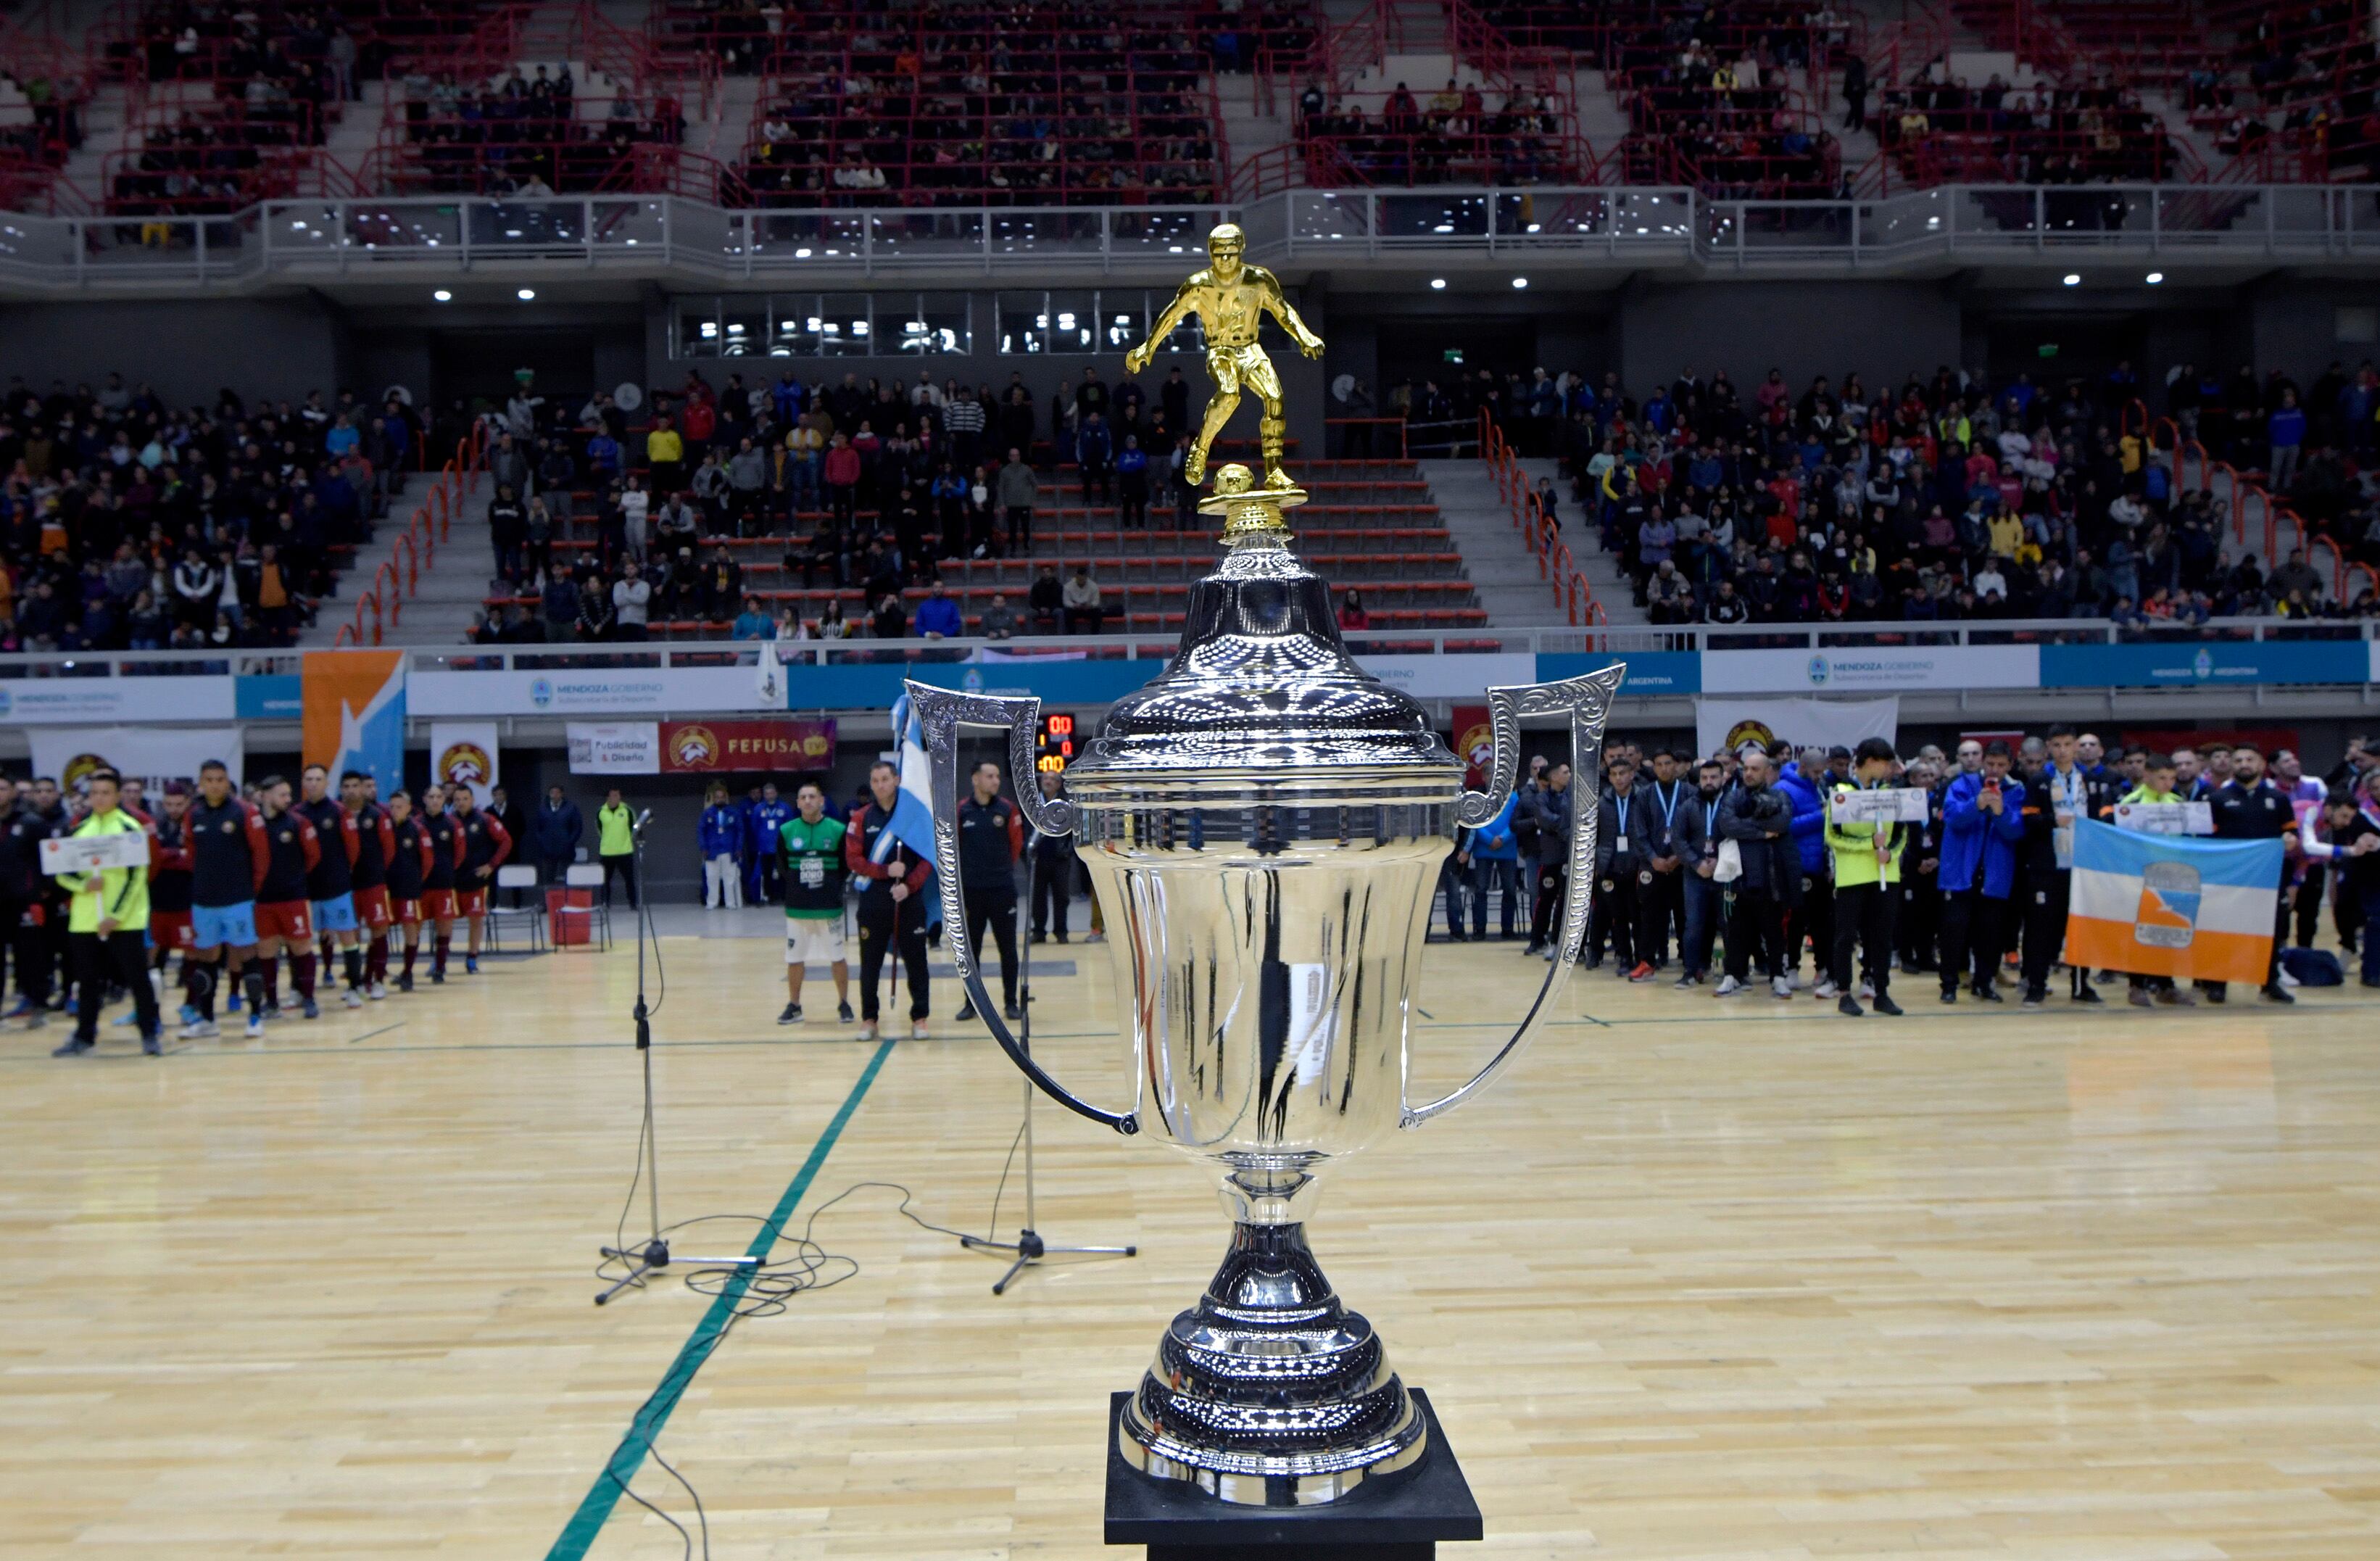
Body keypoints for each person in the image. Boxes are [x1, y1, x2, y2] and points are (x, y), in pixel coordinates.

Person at [50, 769, 163, 1057]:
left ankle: (149, 1033)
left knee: (137, 978)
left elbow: (137, 878)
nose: (99, 798)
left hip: (124, 920)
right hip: (86, 920)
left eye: (105, 793)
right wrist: (84, 884)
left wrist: (115, 915)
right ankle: (84, 1036)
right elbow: (61, 875)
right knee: (87, 982)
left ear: (117, 796)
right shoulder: (77, 830)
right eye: (94, 793)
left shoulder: (129, 828)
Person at [2017, 726, 2110, 1009]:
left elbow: (2101, 821)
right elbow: (2028, 820)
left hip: (2081, 865)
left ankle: (2081, 985)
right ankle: (2036, 985)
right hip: (2047, 865)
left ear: (2076, 747)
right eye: (2056, 745)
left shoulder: (2091, 780)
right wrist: (2053, 821)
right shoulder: (2040, 780)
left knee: (2080, 926)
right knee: (2040, 928)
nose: (2062, 750)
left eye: (2068, 744)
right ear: (2048, 748)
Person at [181, 759, 270, 1038]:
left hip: (238, 901)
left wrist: (248, 890)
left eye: (220, 779)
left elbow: (262, 857)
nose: (215, 784)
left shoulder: (246, 812)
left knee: (246, 956)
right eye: (210, 779)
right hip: (204, 901)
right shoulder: (193, 815)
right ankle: (207, 1020)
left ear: (228, 782)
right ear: (201, 783)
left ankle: (256, 1016)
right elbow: (191, 855)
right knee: (205, 959)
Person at [2204, 743, 2297, 1006]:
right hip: (2228, 879)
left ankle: (2269, 982)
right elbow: (2206, 839)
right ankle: (2217, 983)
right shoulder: (2217, 799)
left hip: (2267, 879)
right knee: (2222, 931)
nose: (2244, 764)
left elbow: (2292, 833)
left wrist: (2290, 839)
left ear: (2261, 765)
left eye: (2249, 759)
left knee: (2270, 931)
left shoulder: (2278, 799)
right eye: (2239, 760)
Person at [846, 761, 932, 1041]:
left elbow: (926, 859)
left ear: (896, 780)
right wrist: (884, 872)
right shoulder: (861, 818)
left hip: (908, 899)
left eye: (885, 779)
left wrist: (909, 886)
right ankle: (869, 1019)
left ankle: (920, 1017)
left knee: (917, 961)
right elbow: (853, 859)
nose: (880, 785)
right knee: (870, 963)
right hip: (873, 900)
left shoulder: (912, 817)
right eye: (875, 781)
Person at [1823, 737, 1906, 1018]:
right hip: (1851, 877)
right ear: (1871, 762)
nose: (1890, 770)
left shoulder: (1891, 793)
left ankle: (1881, 991)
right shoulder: (1841, 792)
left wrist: (1891, 854)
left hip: (1886, 875)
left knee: (1882, 937)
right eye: (1886, 764)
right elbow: (1832, 837)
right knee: (1845, 937)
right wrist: (1869, 844)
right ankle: (1844, 992)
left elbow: (1901, 834)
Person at [1938, 741, 2026, 1003]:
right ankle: (1949, 985)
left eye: (2001, 765)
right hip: (1960, 872)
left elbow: (2017, 831)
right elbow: (1952, 818)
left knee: (1990, 935)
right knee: (1953, 933)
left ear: (2010, 765)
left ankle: (1984, 983)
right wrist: (1976, 805)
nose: (1995, 770)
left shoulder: (2016, 790)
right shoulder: (1961, 785)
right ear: (1983, 762)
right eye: (1991, 764)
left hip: (1995, 875)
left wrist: (2001, 813)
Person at [2118, 753, 2197, 1008]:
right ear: (2147, 775)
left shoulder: (2178, 801)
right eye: (2162, 778)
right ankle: (2136, 985)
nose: (2168, 783)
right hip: (2141, 875)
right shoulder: (2132, 802)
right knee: (2141, 932)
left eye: (2172, 778)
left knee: (2170, 930)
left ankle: (2166, 985)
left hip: (2174, 874)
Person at [1717, 746, 1796, 996]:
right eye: (1746, 769)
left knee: (1773, 930)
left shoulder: (1780, 797)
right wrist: (1762, 833)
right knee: (1735, 930)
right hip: (1739, 876)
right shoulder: (1732, 797)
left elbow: (1781, 823)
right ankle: (1733, 975)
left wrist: (1747, 827)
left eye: (1755, 769)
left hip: (1770, 876)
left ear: (1767, 771)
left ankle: (1778, 976)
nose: (1749, 773)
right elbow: (1728, 826)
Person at [776, 782, 853, 1025]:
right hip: (797, 909)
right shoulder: (786, 831)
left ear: (822, 801)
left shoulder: (838, 830)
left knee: (837, 957)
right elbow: (782, 866)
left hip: (829, 908)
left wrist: (830, 888)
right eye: (803, 797)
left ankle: (844, 1003)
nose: (808, 801)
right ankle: (795, 1005)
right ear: (798, 803)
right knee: (794, 958)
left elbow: (845, 866)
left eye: (812, 796)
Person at [955, 761, 1024, 1022]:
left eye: (997, 776)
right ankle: (971, 1003)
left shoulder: (1007, 810)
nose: (996, 781)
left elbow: (1015, 847)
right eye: (990, 776)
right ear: (976, 779)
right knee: (971, 953)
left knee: (1008, 949)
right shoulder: (962, 810)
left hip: (1002, 890)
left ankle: (1011, 1003)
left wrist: (999, 870)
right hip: (971, 893)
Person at [251, 776, 323, 1020]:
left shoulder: (298, 823)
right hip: (262, 900)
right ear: (266, 796)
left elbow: (313, 857)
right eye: (282, 794)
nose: (288, 799)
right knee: (266, 951)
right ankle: (271, 1003)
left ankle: (309, 998)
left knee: (302, 947)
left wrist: (294, 878)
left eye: (288, 794)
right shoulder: (253, 823)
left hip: (293, 898)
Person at [295, 764, 367, 1010]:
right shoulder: (296, 814)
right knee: (300, 940)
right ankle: (299, 988)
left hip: (336, 887)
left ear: (327, 784)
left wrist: (341, 873)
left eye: (318, 779)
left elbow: (353, 850)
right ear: (303, 783)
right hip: (306, 889)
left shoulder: (340, 812)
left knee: (348, 936)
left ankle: (355, 987)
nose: (313, 783)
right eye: (309, 779)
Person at [2299, 786, 2380, 987]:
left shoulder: (2359, 816)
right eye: (2343, 816)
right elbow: (2308, 846)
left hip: (2319, 866)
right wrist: (2352, 850)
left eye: (2349, 817)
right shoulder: (2306, 811)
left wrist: (2376, 843)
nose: (2346, 822)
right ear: (2328, 809)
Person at [1671, 758, 1728, 987]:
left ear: (1723, 778)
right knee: (1693, 924)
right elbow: (1678, 839)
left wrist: (1721, 862)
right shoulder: (1688, 806)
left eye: (1714, 777)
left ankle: (1735, 973)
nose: (1709, 782)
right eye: (1704, 778)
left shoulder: (1731, 803)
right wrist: (1697, 863)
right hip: (1695, 875)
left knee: (1728, 925)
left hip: (1725, 874)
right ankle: (1690, 971)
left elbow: (1738, 835)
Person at [341, 770, 399, 1000]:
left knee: (379, 932)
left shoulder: (377, 816)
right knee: (350, 936)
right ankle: (354, 984)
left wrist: (376, 872)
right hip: (347, 886)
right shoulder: (338, 815)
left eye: (356, 786)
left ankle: (377, 981)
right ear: (341, 789)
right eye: (347, 786)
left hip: (373, 884)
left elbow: (389, 850)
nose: (352, 791)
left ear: (364, 789)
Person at [1591, 753, 1646, 975]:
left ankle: (1644, 958)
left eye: (1623, 773)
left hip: (1636, 865)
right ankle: (1625, 957)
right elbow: (1592, 834)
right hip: (1609, 866)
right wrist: (1595, 862)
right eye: (1614, 774)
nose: (1619, 778)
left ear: (1632, 774)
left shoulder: (1642, 798)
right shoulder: (1602, 801)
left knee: (1638, 916)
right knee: (1617, 917)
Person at [448, 786, 511, 973]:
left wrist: (491, 865)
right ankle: (440, 960)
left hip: (476, 879)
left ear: (472, 800)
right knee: (445, 921)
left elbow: (506, 841)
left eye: (465, 798)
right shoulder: (448, 821)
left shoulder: (485, 820)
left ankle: (472, 958)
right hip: (452, 880)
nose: (461, 802)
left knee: (476, 920)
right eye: (457, 799)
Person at [1522, 760, 1574, 958]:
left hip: (1568, 856)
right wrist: (1566, 825)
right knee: (1544, 900)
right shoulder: (1541, 798)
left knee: (1565, 902)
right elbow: (1544, 819)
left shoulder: (1573, 796)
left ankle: (1558, 941)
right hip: (1550, 857)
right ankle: (1537, 939)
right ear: (1554, 777)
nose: (1569, 775)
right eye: (1565, 772)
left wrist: (1563, 825)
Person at [383, 790, 434, 993]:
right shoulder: (384, 828)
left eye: (399, 807)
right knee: (380, 931)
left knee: (410, 931)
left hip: (408, 890)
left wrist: (416, 880)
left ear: (409, 808)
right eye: (392, 807)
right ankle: (378, 973)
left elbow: (428, 861)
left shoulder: (418, 830)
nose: (395, 811)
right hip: (386, 889)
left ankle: (408, 973)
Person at [418, 784, 463, 984]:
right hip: (420, 885)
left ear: (444, 800)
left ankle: (440, 968)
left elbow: (459, 854)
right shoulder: (416, 823)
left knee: (444, 927)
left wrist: (447, 870)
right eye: (431, 796)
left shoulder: (453, 824)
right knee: (414, 928)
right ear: (424, 799)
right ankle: (408, 970)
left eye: (439, 796)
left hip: (444, 884)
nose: (435, 800)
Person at [1029, 769, 1074, 942]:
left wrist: (1068, 851)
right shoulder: (1032, 802)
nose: (1047, 781)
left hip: (1059, 859)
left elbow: (1073, 832)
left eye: (1052, 779)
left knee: (1062, 897)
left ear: (1058, 784)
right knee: (1037, 897)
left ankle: (1061, 931)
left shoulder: (1066, 804)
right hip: (1037, 857)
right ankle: (1039, 931)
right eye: (1045, 778)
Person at [699, 782, 746, 908]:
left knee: (729, 879)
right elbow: (701, 831)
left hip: (729, 850)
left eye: (722, 797)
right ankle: (712, 903)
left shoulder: (733, 812)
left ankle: (730, 903)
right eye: (717, 797)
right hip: (712, 851)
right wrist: (703, 847)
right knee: (711, 878)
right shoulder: (708, 813)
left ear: (725, 798)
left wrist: (738, 848)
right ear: (714, 799)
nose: (719, 799)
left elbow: (740, 831)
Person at [747, 782, 793, 903]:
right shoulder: (758, 809)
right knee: (766, 874)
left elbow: (791, 826)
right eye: (767, 793)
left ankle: (784, 897)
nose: (770, 795)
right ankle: (770, 896)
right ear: (764, 795)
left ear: (776, 793)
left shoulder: (784, 808)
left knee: (783, 872)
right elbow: (754, 827)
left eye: (772, 793)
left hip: (781, 847)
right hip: (765, 848)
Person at [532, 784, 582, 884]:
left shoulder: (571, 808)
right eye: (552, 793)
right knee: (549, 879)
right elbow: (538, 828)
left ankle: (569, 899)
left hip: (566, 850)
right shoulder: (543, 808)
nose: (554, 795)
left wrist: (569, 842)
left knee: (569, 878)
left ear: (562, 794)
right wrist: (543, 842)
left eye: (557, 793)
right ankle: (550, 899)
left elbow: (577, 828)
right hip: (548, 850)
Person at [597, 788, 638, 908]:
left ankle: (633, 903)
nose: (617, 798)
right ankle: (605, 903)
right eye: (614, 795)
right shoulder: (601, 811)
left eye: (618, 795)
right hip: (607, 852)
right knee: (605, 880)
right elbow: (600, 830)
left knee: (629, 880)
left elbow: (633, 829)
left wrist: (624, 841)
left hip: (625, 851)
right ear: (608, 798)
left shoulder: (627, 810)